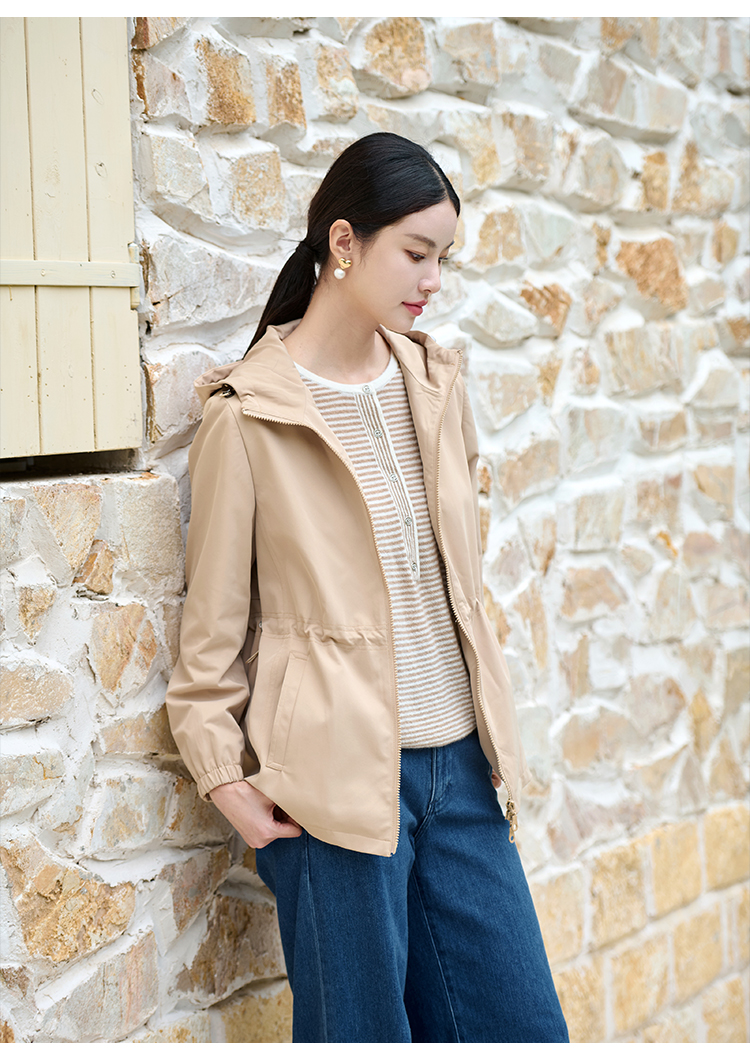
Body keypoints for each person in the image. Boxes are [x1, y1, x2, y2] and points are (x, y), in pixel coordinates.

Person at [166, 132, 568, 1044]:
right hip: (334, 791)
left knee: (526, 1031)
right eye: (417, 253)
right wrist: (226, 779)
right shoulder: (249, 418)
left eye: (444, 257)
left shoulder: (434, 382)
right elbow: (211, 638)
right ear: (344, 242)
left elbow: (458, 582)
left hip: (462, 774)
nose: (433, 280)